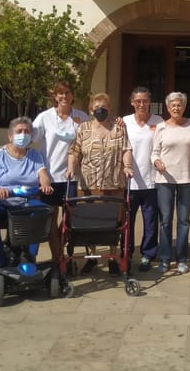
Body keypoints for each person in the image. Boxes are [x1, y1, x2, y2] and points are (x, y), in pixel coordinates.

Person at [67, 92, 134, 275]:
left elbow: (127, 149)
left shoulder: (118, 128)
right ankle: (92, 257)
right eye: (96, 108)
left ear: (109, 109)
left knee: (113, 222)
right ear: (90, 110)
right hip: (89, 184)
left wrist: (127, 166)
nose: (100, 111)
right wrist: (71, 168)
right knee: (91, 223)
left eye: (104, 108)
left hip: (113, 184)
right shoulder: (84, 128)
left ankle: (113, 257)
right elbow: (74, 151)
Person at [0, 116, 54, 268]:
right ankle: (0, 260)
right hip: (0, 201)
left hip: (25, 201)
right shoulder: (0, 154)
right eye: (19, 131)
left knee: (41, 212)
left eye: (27, 132)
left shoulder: (35, 156)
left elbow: (43, 176)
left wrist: (45, 185)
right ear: (10, 136)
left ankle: (28, 256)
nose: (23, 135)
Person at [31, 80, 88, 264]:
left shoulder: (81, 117)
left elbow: (92, 137)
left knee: (71, 218)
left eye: (67, 92)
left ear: (73, 96)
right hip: (50, 177)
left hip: (73, 178)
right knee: (51, 219)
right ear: (55, 96)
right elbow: (29, 139)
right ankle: (58, 258)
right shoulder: (44, 117)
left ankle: (66, 252)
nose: (64, 96)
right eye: (60, 93)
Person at [151, 91, 190, 274]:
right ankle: (164, 258)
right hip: (164, 179)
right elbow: (154, 152)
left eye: (179, 104)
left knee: (184, 220)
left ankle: (182, 258)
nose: (176, 107)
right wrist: (156, 162)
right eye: (173, 105)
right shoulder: (161, 127)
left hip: (186, 177)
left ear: (184, 106)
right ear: (167, 107)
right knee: (165, 220)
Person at [123, 86, 164, 272]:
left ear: (150, 102)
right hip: (130, 182)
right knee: (127, 221)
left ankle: (148, 254)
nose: (141, 104)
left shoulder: (158, 121)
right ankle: (127, 253)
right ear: (132, 102)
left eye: (145, 101)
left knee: (150, 221)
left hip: (152, 180)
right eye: (138, 101)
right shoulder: (123, 122)